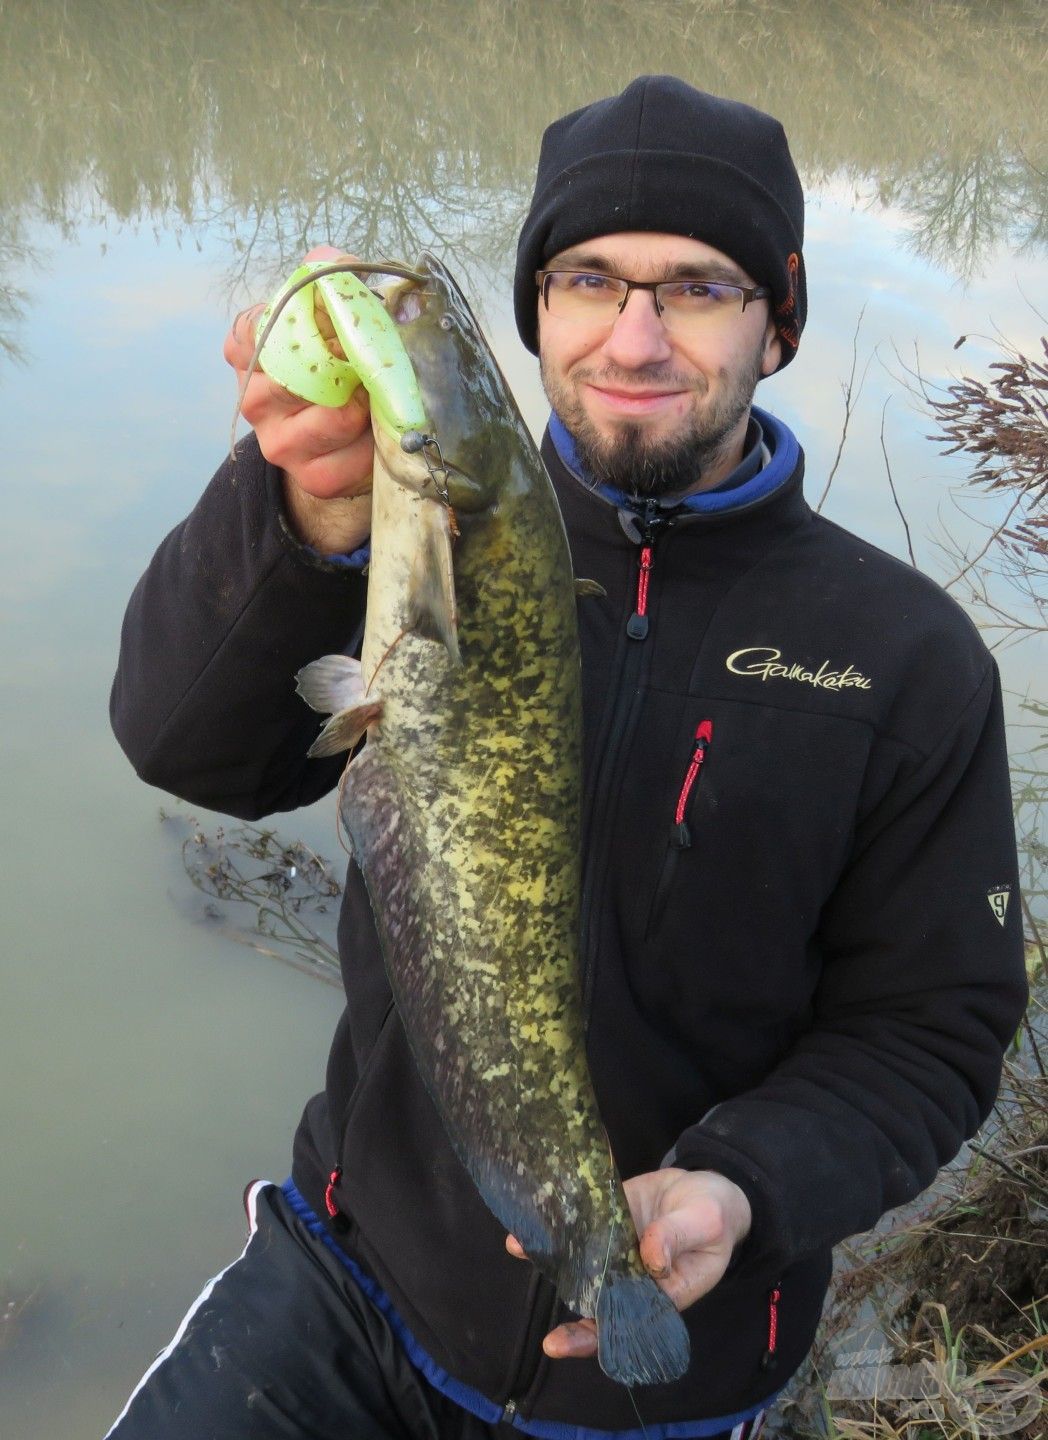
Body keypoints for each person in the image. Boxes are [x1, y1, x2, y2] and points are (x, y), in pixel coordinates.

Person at [107, 76, 1028, 1440]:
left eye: (698, 288)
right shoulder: (403, 529)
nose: (634, 336)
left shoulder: (904, 656)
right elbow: (187, 744)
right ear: (536, 308)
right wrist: (300, 515)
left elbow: (932, 1031)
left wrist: (741, 1186)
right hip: (350, 1283)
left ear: (779, 325)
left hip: (672, 1358)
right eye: (589, 278)